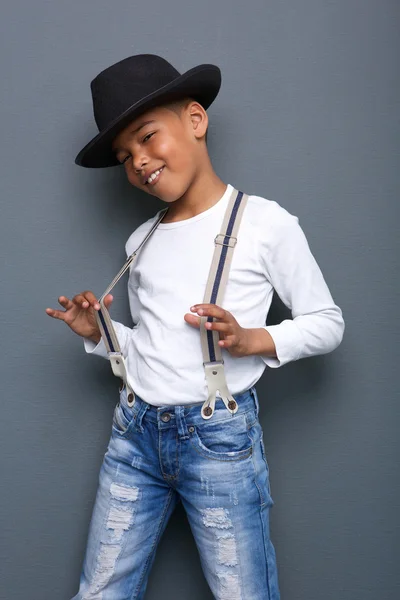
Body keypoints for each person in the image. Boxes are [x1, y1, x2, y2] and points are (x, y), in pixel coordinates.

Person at [45, 54, 345, 600]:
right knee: (100, 591)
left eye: (147, 137)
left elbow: (328, 323)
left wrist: (256, 338)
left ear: (195, 120)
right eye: (124, 155)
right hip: (133, 436)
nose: (138, 161)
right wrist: (100, 332)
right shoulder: (141, 241)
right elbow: (155, 352)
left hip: (218, 441)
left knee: (242, 592)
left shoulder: (264, 224)